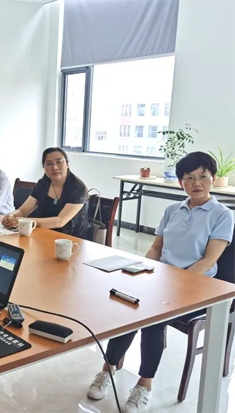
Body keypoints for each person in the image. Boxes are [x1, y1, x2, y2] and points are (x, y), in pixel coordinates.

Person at [87, 151, 234, 413]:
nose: (197, 183)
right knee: (127, 305)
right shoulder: (172, 210)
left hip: (199, 287)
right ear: (181, 183)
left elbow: (209, 260)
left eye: (203, 176)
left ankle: (144, 385)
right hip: (162, 281)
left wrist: (173, 283)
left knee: (151, 317)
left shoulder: (222, 215)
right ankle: (107, 369)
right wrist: (144, 270)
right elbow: (156, 247)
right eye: (189, 178)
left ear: (213, 179)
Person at [2, 147, 92, 239]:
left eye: (59, 162)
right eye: (49, 164)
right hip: (44, 234)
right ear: (44, 167)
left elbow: (60, 221)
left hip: (72, 240)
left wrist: (27, 221)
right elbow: (23, 211)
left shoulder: (78, 189)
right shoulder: (42, 184)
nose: (54, 167)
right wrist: (11, 215)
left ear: (67, 164)